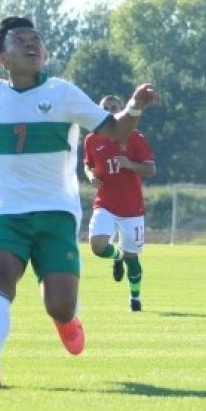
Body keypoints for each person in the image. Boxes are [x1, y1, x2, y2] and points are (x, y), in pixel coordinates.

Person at [0, 16, 159, 387]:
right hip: (5, 212)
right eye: (19, 40)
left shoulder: (63, 93)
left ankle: (68, 321)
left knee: (59, 304)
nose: (30, 44)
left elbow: (115, 129)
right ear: (0, 58)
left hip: (56, 215)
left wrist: (134, 106)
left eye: (35, 39)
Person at [83, 94, 157, 312]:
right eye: (105, 108)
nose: (109, 111)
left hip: (132, 208)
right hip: (105, 203)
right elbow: (88, 165)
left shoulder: (134, 137)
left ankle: (135, 298)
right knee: (97, 245)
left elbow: (151, 169)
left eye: (114, 107)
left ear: (122, 110)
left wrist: (130, 164)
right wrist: (90, 177)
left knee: (133, 258)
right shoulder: (92, 139)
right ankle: (118, 255)